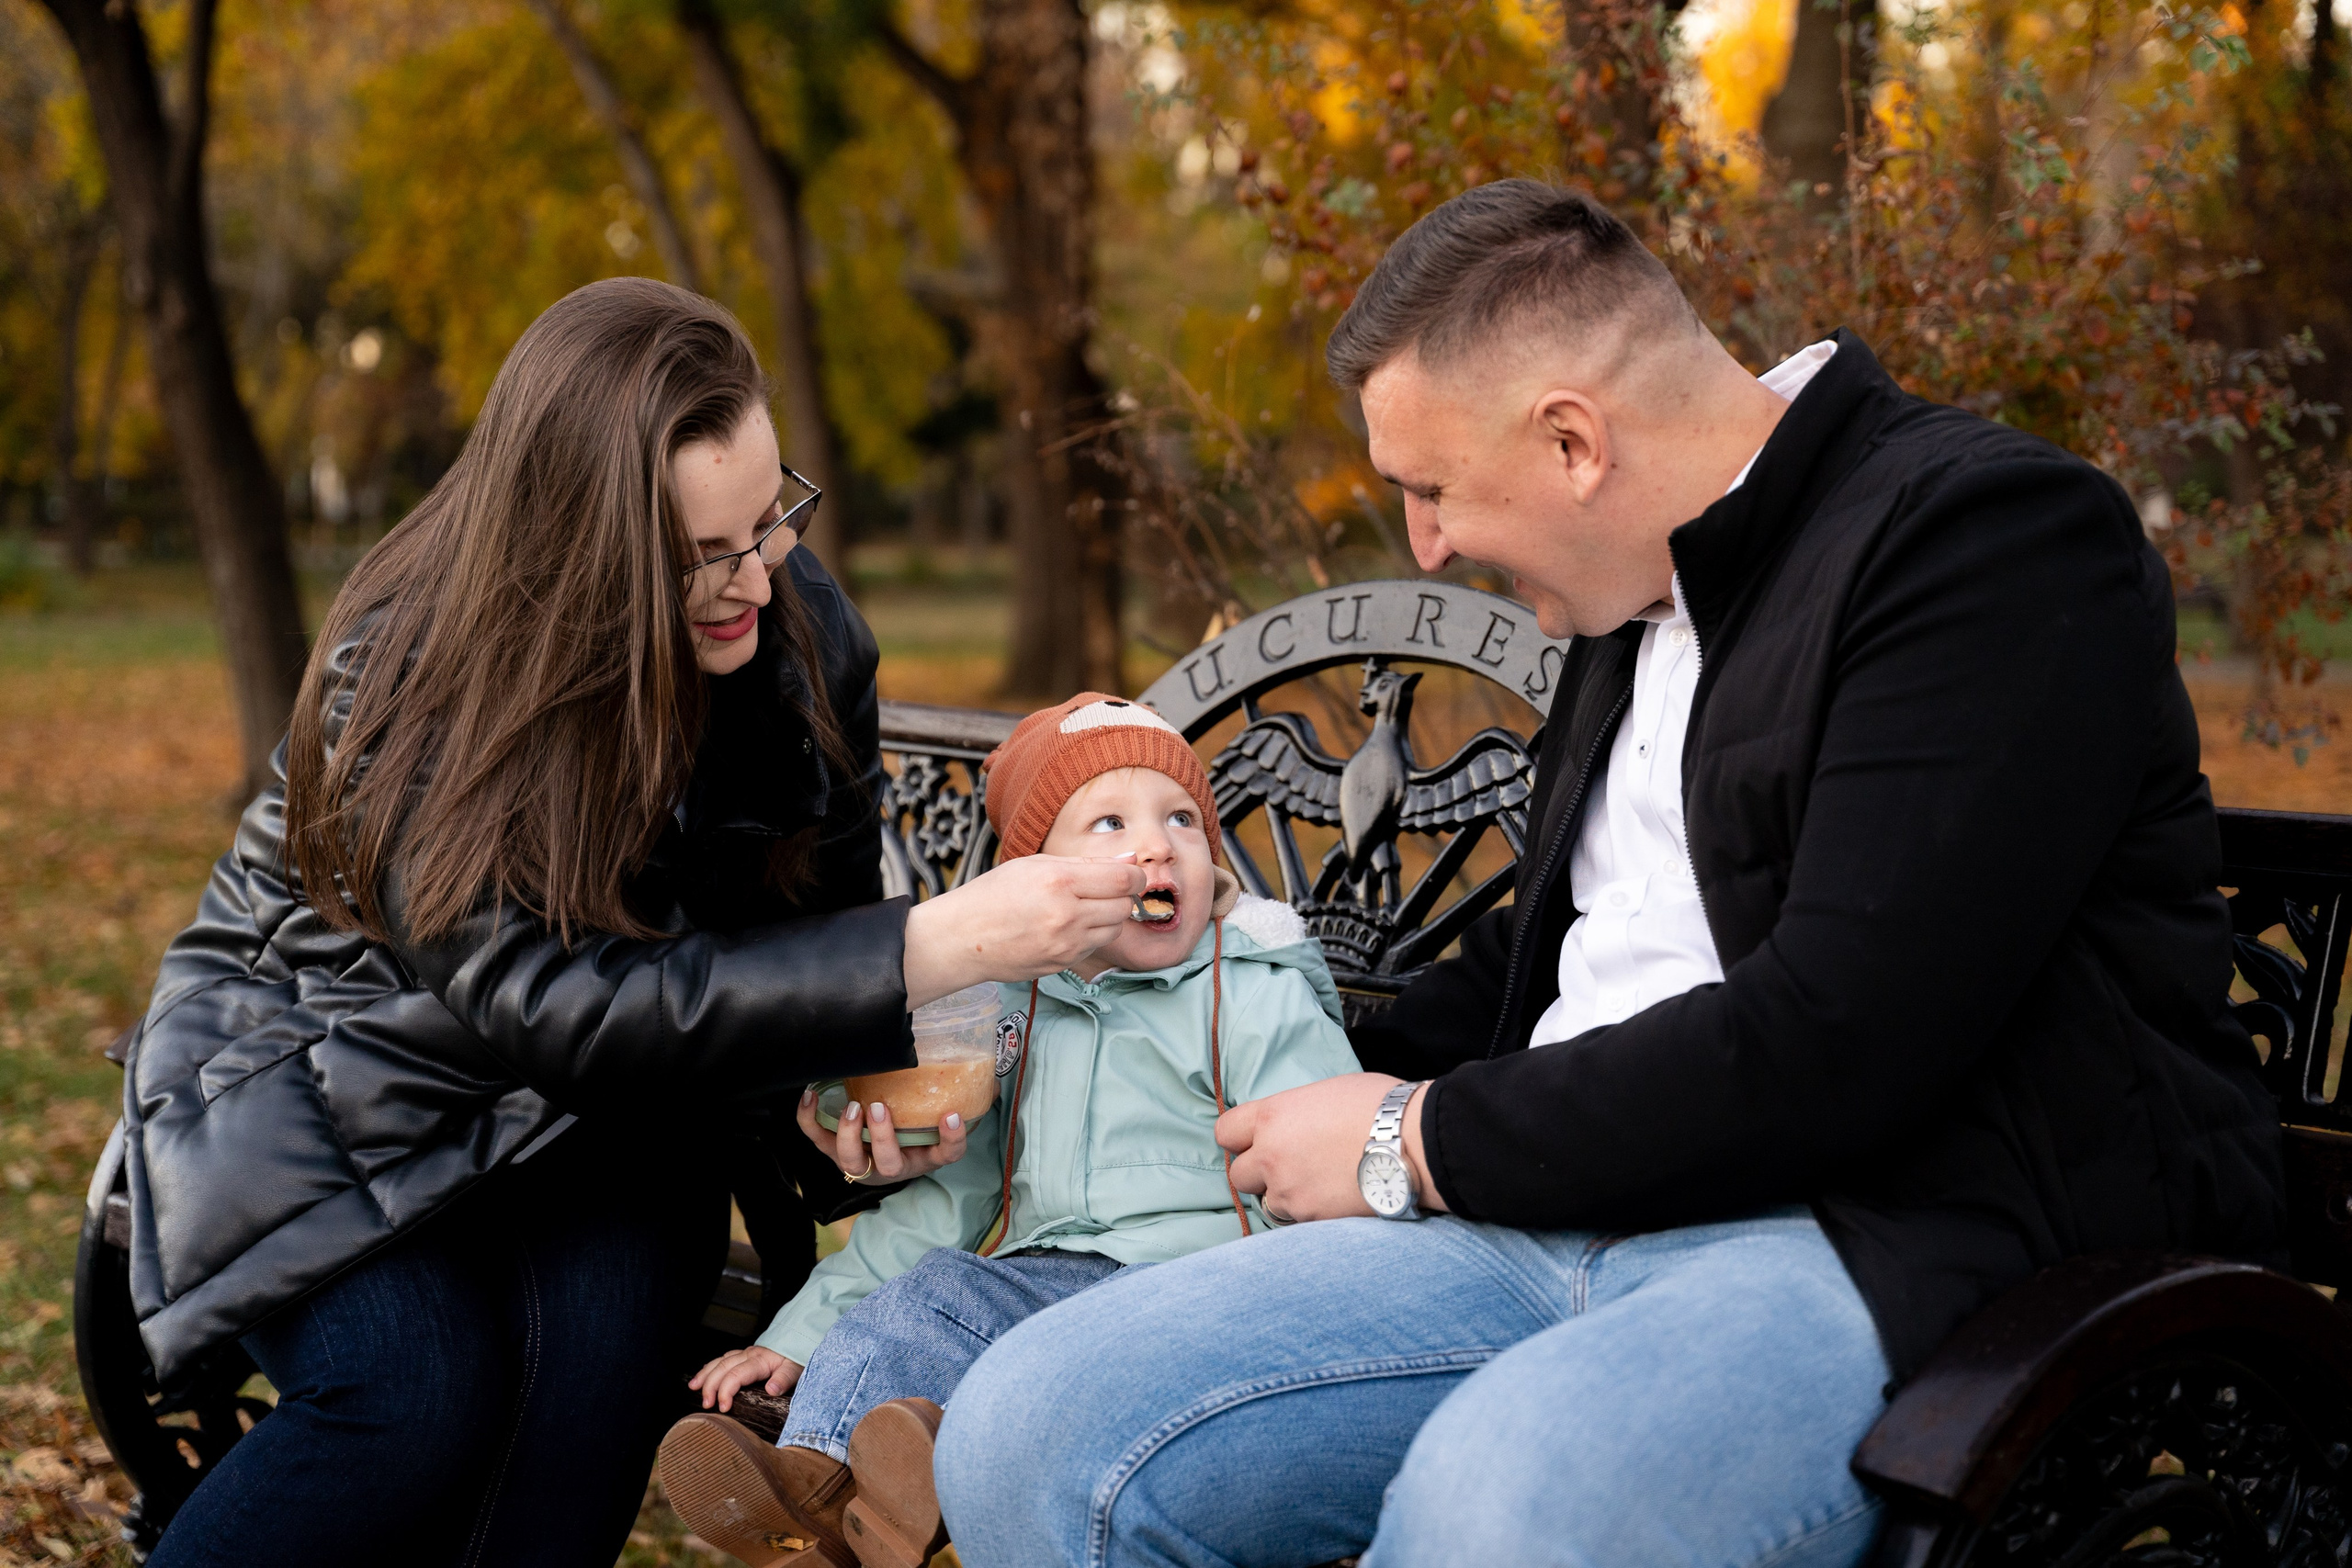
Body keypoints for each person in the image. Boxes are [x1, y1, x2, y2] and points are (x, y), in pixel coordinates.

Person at [921, 182, 2290, 1567]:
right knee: (1031, 1428)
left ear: (1573, 440)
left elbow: (1841, 1036)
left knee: (1499, 1512)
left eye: (1433, 488)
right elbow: (1563, 952)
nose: (1428, 545)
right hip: (1544, 1209)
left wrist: (1412, 1140)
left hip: (1892, 1245)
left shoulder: (1981, 540)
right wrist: (1262, 1054)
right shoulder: (1637, 594)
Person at [122, 277, 1149, 1568]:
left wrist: (833, 1111)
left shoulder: (802, 627)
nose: (756, 582)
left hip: (621, 1100)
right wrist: (940, 941)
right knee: (410, 1393)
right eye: (700, 555)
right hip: (335, 1067)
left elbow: (803, 931)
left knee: (600, 1371)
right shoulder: (408, 671)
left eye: (770, 518)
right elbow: (551, 1003)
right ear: (575, 546)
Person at [654, 694, 1362, 1568]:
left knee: (987, 1345)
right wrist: (796, 1337)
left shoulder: (1250, 989)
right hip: (1042, 1296)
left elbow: (1332, 1152)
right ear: (1036, 883)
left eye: (1182, 818)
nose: (1155, 844)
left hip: (1201, 1295)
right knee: (928, 1294)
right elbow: (942, 1208)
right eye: (1109, 821)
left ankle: (877, 1486)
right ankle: (818, 1487)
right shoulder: (1009, 1017)